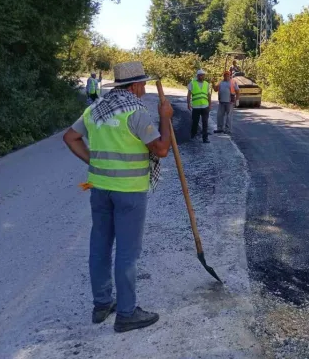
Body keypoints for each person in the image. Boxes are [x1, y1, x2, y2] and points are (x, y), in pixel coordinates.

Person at [63, 61, 173, 333]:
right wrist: (166, 117)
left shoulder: (95, 109)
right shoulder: (135, 113)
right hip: (129, 191)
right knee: (127, 252)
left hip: (99, 187)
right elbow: (160, 150)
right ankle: (126, 313)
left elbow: (70, 138)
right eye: (143, 84)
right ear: (134, 85)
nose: (145, 88)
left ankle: (102, 304)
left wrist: (94, 161)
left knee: (100, 245)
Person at [187, 69, 211, 143]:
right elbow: (189, 94)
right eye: (200, 75)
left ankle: (205, 138)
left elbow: (209, 95)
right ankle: (193, 134)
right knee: (195, 122)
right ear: (197, 76)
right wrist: (188, 103)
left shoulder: (207, 84)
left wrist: (210, 104)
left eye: (203, 75)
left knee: (205, 122)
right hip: (196, 107)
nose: (201, 76)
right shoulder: (192, 83)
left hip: (205, 106)